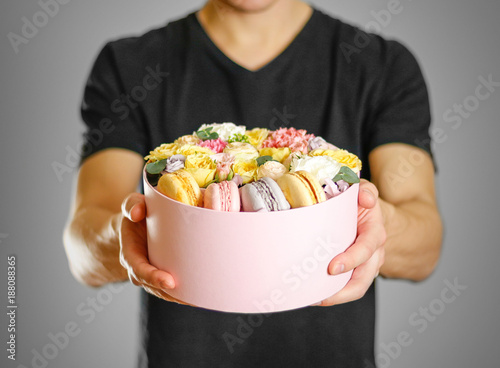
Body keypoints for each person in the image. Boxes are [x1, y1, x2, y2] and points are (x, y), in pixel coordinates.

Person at [63, 0, 443, 366]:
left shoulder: (382, 66)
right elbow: (83, 244)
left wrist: (370, 222)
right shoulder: (129, 65)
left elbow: (425, 246)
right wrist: (130, 232)